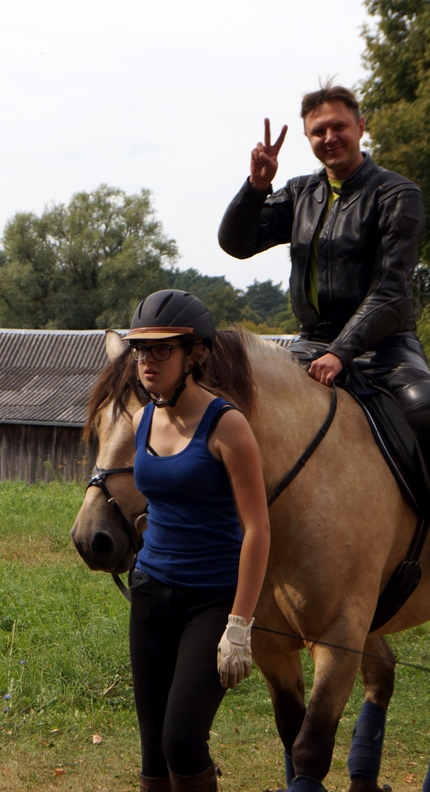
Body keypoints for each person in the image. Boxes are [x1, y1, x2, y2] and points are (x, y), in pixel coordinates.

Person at [218, 82, 430, 588]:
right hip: (309, 342)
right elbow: (236, 243)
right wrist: (255, 187)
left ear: (361, 127)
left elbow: (391, 290)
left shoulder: (397, 194)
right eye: (318, 131)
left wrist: (343, 351)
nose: (329, 137)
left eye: (339, 126)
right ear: (308, 139)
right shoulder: (300, 193)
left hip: (386, 346)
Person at [124, 289, 270, 792]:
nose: (147, 360)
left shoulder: (227, 425)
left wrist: (240, 624)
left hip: (210, 602)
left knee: (182, 740)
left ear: (196, 353)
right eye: (141, 350)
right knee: (152, 751)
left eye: (162, 349)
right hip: (151, 595)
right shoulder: (143, 419)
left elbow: (257, 528)